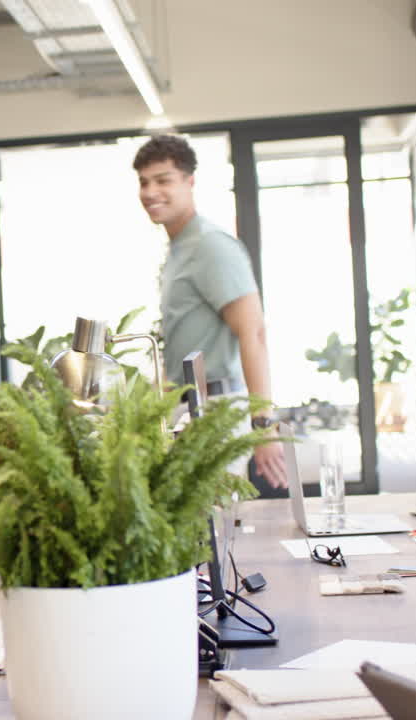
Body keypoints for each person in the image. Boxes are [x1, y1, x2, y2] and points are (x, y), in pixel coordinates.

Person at [134, 134, 288, 490]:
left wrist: (264, 426)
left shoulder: (210, 245)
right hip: (190, 409)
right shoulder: (179, 248)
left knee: (215, 526)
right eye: (144, 182)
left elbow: (254, 333)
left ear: (189, 182)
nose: (150, 192)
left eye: (163, 180)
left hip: (216, 408)